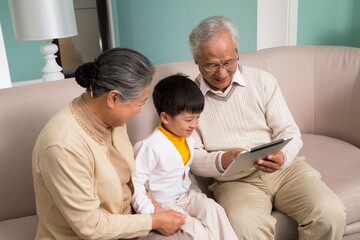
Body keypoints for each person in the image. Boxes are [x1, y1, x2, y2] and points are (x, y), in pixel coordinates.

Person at [188, 16, 346, 239]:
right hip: (235, 182)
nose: (222, 73)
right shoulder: (187, 100)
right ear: (196, 59)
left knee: (331, 214)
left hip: (285, 172)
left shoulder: (263, 81)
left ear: (237, 52)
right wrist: (222, 160)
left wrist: (282, 156)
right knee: (246, 229)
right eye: (211, 65)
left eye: (229, 62)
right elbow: (191, 157)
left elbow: (290, 131)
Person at [32, 48, 190, 240]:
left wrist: (146, 200)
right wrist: (154, 221)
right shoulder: (62, 146)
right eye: (140, 104)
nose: (139, 111)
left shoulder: (112, 119)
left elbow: (126, 179)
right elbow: (91, 227)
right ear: (113, 98)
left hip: (126, 224)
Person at [131, 73, 237, 240]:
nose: (194, 124)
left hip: (187, 196)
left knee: (214, 209)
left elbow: (185, 172)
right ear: (165, 117)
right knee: (199, 231)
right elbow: (135, 183)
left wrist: (196, 194)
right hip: (166, 204)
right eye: (189, 119)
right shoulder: (149, 147)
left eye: (197, 117)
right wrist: (151, 213)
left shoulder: (188, 138)